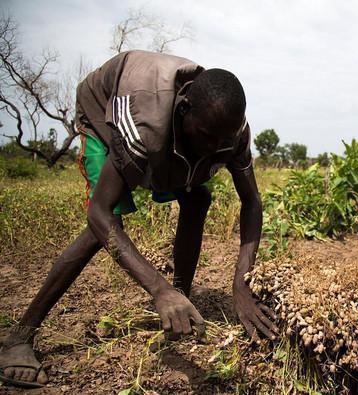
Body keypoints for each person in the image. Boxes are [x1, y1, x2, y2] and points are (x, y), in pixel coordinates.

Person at [0, 50, 277, 388]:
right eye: (207, 136)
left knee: (198, 196)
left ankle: (182, 298)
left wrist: (241, 284)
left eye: (224, 141)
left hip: (167, 132)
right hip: (102, 112)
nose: (214, 147)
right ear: (184, 110)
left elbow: (251, 200)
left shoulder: (230, 134)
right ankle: (19, 337)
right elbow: (99, 213)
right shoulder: (144, 116)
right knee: (104, 224)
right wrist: (158, 289)